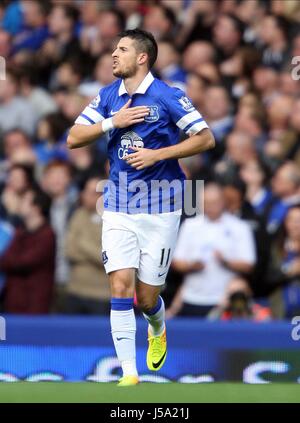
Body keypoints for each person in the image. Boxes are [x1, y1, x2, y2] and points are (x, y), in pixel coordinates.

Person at [67, 28, 215, 386]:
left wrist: (157, 155)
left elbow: (206, 138)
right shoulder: (107, 97)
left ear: (142, 57)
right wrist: (111, 123)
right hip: (117, 205)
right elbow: (73, 138)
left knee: (147, 298)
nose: (113, 55)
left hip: (161, 207)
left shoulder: (167, 96)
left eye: (121, 49)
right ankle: (129, 374)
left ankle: (157, 325)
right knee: (120, 287)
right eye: (113, 49)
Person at [167, 183, 256, 318]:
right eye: (206, 203)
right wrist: (192, 266)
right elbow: (176, 262)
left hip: (225, 300)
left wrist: (226, 262)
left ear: (223, 202)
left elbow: (249, 264)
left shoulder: (239, 227)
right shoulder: (190, 226)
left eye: (214, 203)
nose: (210, 207)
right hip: (192, 297)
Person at [0, 186, 55, 314]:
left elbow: (23, 262)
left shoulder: (47, 235)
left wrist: (8, 260)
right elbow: (5, 259)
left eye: (25, 200)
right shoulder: (20, 231)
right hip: (13, 303)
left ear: (36, 208)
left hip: (34, 306)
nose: (20, 203)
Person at [64, 177, 110, 315]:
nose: (92, 196)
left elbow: (108, 259)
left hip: (102, 295)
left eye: (97, 193)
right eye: (89, 192)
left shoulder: (113, 220)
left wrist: (82, 243)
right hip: (75, 291)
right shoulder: (78, 215)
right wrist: (94, 250)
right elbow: (69, 251)